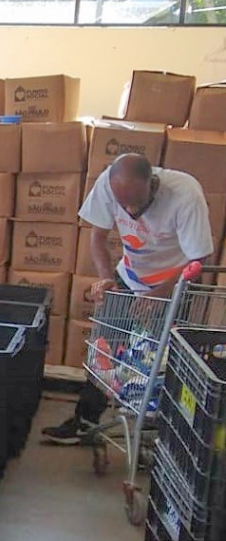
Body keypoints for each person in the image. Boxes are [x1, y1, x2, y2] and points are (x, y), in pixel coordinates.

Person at [42, 153, 213, 445]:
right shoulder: (109, 185)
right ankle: (84, 421)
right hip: (129, 276)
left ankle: (156, 436)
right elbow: (97, 238)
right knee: (103, 351)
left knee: (154, 365)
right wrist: (107, 277)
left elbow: (199, 260)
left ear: (153, 185)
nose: (130, 210)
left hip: (171, 285)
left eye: (137, 203)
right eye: (124, 206)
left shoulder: (184, 195)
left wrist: (159, 294)